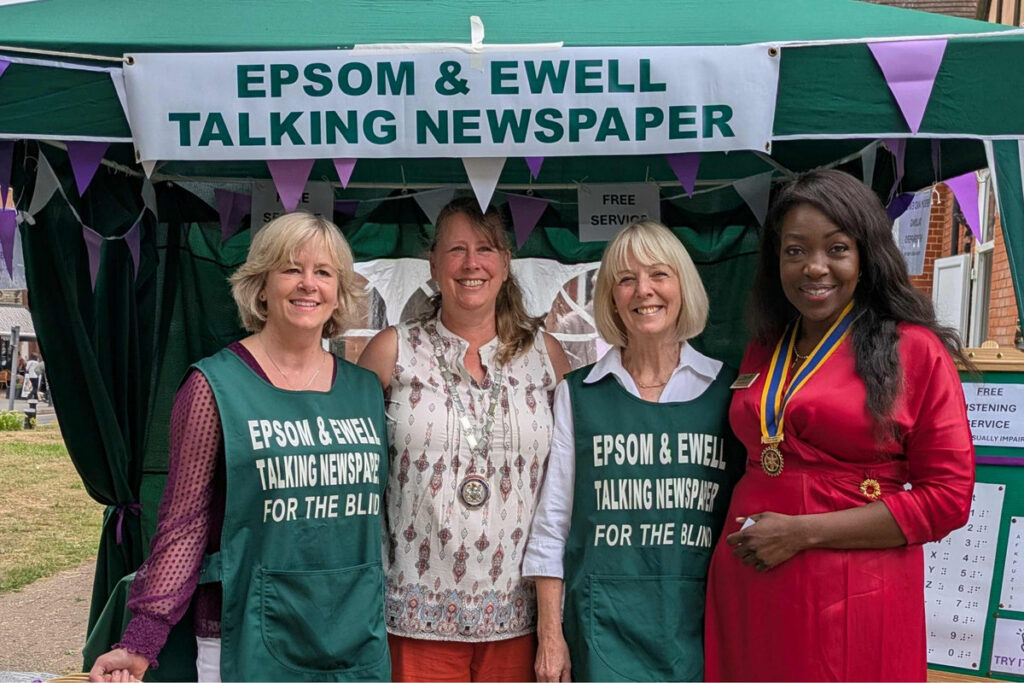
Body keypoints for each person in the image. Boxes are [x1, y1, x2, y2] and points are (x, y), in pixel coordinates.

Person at [89, 212, 390, 682]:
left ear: (340, 292)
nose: (308, 284)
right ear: (262, 284)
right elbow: (184, 524)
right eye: (292, 268)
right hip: (244, 631)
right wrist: (142, 639)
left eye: (324, 272)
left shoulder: (367, 390)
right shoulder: (214, 387)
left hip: (354, 635)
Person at [704, 169, 975, 681]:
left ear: (866, 254)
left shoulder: (912, 350)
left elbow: (948, 498)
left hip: (854, 592)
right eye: (795, 250)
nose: (814, 267)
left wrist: (802, 534)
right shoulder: (766, 346)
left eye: (836, 248)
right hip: (752, 587)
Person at [359, 197, 570, 682]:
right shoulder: (392, 350)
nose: (471, 263)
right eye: (456, 249)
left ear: (505, 262)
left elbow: (563, 493)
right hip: (412, 622)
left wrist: (554, 627)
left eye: (486, 248)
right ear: (433, 263)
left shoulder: (547, 357)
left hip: (518, 622)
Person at [523, 220, 742, 683]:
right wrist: (550, 636)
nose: (644, 290)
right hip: (601, 629)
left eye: (659, 274)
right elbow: (552, 525)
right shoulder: (578, 395)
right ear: (611, 298)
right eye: (626, 279)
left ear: (683, 286)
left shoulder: (731, 393)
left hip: (702, 624)